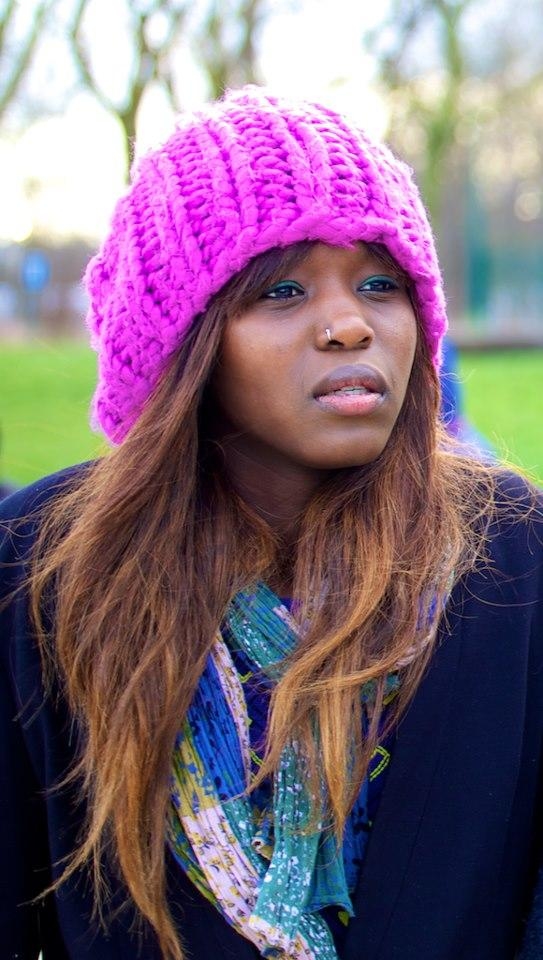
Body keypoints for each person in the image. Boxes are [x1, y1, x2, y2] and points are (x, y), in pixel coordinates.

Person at [0, 87, 541, 960]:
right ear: (184, 342)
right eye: (281, 290)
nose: (348, 325)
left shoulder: (510, 551)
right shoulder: (40, 565)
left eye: (380, 284)